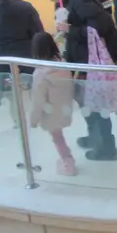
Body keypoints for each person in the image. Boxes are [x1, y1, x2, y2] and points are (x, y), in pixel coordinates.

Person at [64, 0, 117, 161]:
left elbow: (98, 26)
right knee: (89, 103)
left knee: (96, 104)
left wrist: (71, 30)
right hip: (89, 60)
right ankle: (96, 138)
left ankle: (106, 147)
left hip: (93, 62)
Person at [28, 32, 78, 176]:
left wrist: (34, 120)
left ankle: (68, 163)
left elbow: (38, 100)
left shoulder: (40, 74)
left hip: (50, 112)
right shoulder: (63, 64)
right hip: (64, 107)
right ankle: (67, 159)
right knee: (59, 136)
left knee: (57, 138)